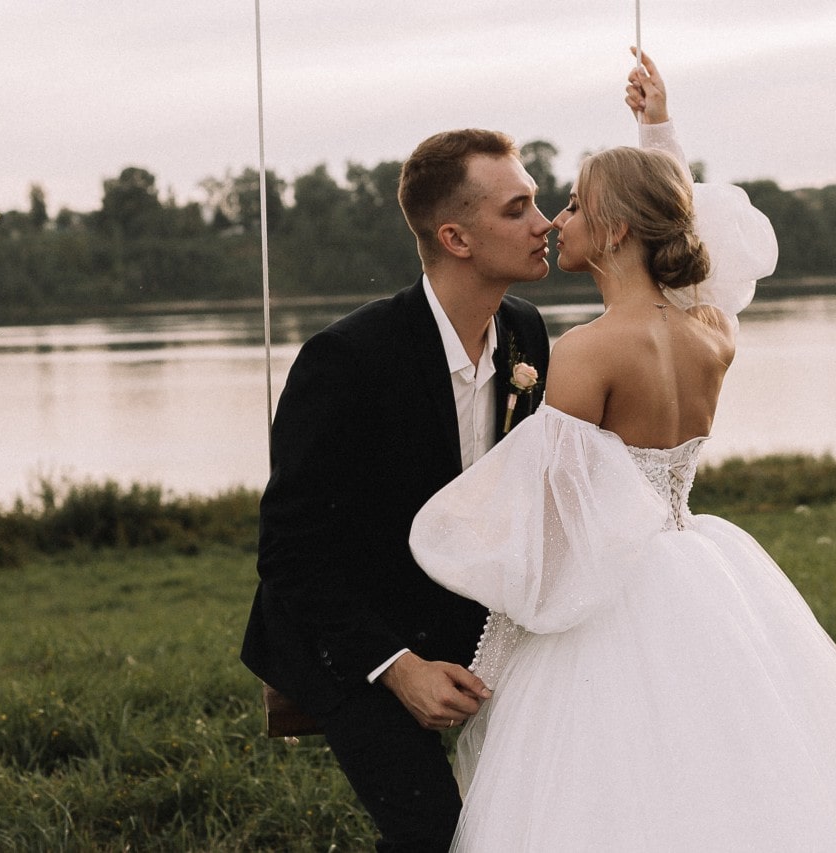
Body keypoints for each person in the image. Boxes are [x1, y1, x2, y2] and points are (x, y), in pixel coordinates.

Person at [410, 51, 836, 851]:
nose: (556, 221)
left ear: (616, 228)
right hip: (701, 571)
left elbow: (555, 520)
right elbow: (695, 233)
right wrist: (656, 130)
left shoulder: (590, 351)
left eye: (573, 205)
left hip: (615, 595)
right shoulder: (711, 329)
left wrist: (496, 651)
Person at [240, 125, 552, 851]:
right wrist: (397, 667)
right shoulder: (346, 360)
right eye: (518, 208)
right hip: (347, 636)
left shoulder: (527, 335)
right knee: (437, 836)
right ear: (456, 237)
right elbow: (290, 553)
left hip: (462, 620)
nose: (545, 224)